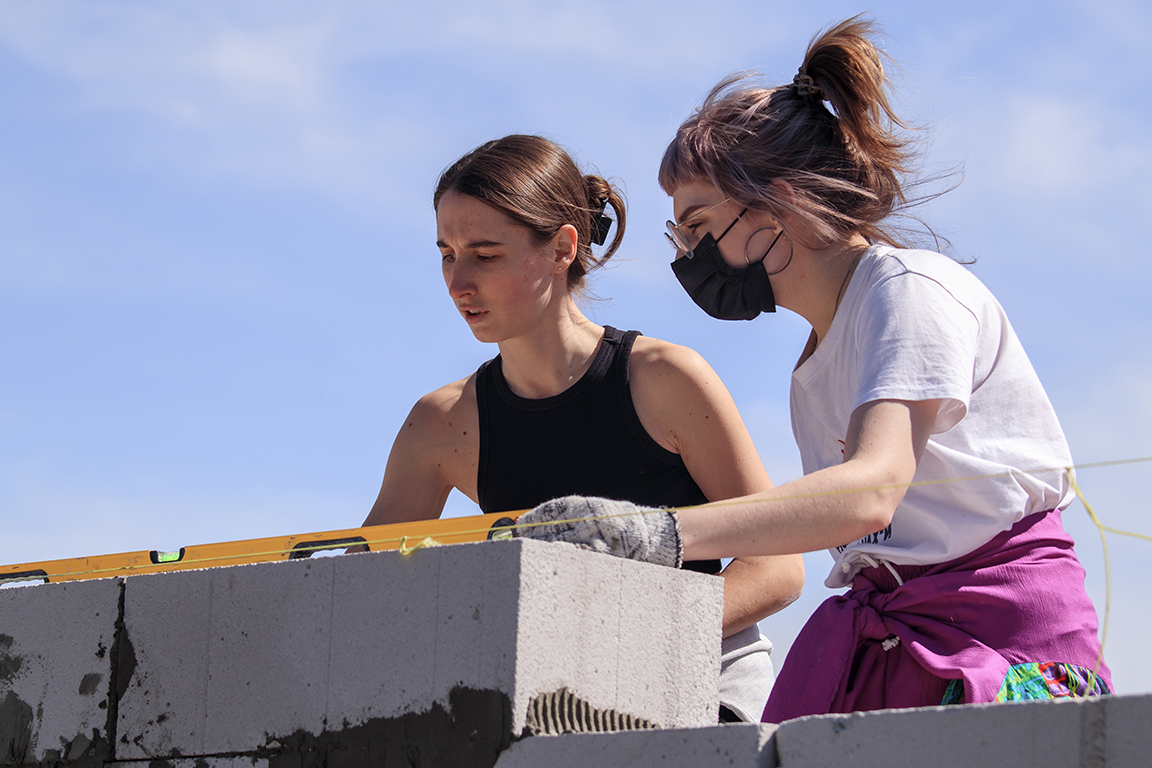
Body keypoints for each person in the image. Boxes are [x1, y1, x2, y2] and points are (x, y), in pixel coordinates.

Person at [515, 17, 1111, 721]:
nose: (687, 256)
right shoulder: (818, 357)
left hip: (997, 651)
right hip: (901, 642)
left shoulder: (910, 290)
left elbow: (868, 493)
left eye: (700, 227)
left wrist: (665, 533)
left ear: (780, 203)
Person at [359, 134, 805, 723]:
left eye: (485, 255)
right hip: (552, 706)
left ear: (563, 247)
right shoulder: (440, 425)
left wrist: (625, 637)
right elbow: (364, 591)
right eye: (447, 253)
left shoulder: (667, 379)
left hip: (705, 691)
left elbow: (778, 566)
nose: (458, 282)